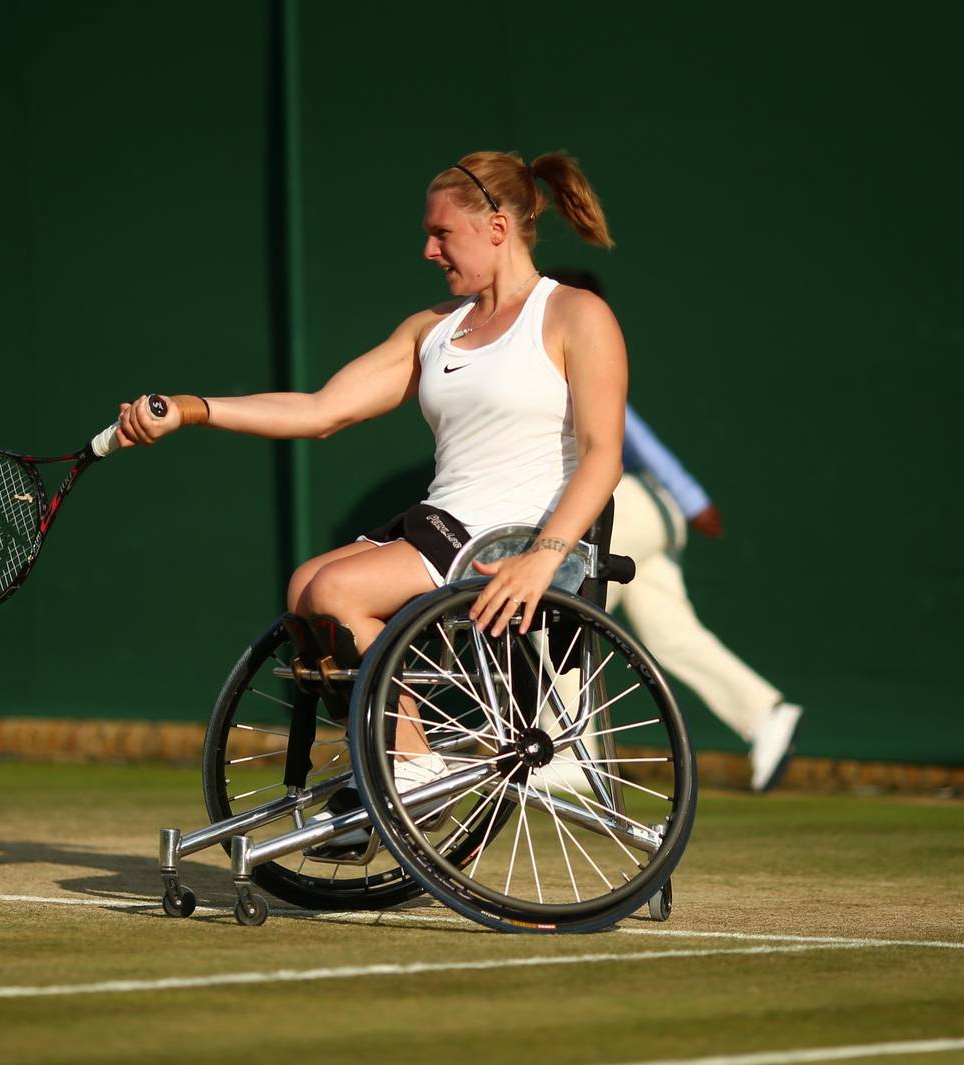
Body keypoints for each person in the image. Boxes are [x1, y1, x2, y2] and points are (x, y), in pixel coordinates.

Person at [115, 151, 627, 803]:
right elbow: (321, 410)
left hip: (516, 542)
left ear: (497, 228)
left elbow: (604, 455)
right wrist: (193, 409)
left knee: (334, 590)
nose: (427, 249)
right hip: (447, 529)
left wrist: (542, 556)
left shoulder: (575, 315)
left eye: (441, 233)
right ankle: (396, 753)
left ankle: (409, 767)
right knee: (307, 589)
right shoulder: (432, 330)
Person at [546, 269, 804, 792]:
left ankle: (570, 754)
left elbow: (631, 436)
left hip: (626, 508)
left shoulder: (569, 357)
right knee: (672, 634)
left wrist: (693, 501)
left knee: (559, 609)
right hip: (645, 515)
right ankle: (765, 713)